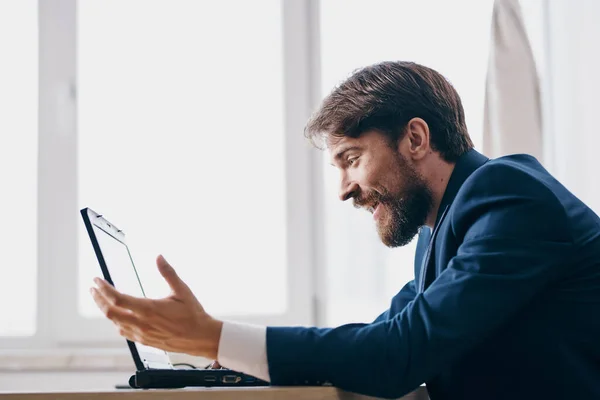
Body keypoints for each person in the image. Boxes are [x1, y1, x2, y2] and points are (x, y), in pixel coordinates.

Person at [90, 61, 600, 400]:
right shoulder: (440, 228)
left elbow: (400, 352)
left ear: (415, 138)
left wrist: (215, 339)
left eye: (351, 160)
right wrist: (217, 367)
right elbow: (380, 337)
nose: (344, 190)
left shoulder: (509, 198)